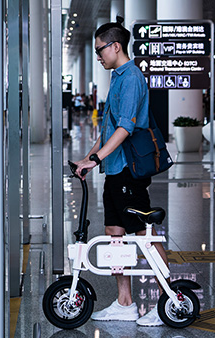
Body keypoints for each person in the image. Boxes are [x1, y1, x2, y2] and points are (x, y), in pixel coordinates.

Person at [73, 16, 169, 327]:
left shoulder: (131, 79)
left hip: (128, 170)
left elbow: (126, 128)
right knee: (115, 234)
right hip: (115, 171)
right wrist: (88, 158)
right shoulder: (117, 77)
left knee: (145, 235)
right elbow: (109, 128)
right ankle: (125, 302)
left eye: (101, 50)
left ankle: (169, 300)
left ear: (116, 46)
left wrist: (97, 159)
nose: (99, 56)